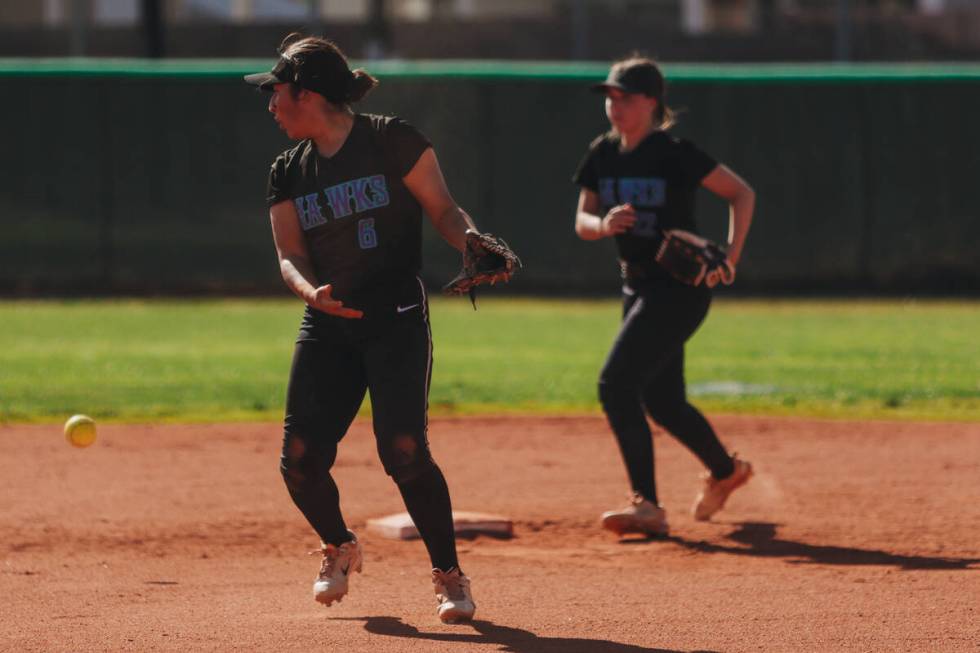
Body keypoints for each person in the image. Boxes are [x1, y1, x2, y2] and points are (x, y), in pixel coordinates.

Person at [244, 34, 482, 623]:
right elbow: (289, 253)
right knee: (299, 459)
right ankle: (338, 546)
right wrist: (309, 292)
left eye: (277, 92)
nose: (270, 104)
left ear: (308, 92)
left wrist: (472, 242)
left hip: (396, 319)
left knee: (403, 450)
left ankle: (449, 575)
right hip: (327, 325)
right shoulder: (288, 171)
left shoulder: (390, 139)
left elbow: (444, 210)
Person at [572, 57, 756, 537]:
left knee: (615, 385)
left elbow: (740, 194)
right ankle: (726, 471)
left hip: (678, 287)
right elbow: (583, 221)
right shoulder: (602, 154)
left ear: (651, 102)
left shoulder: (674, 152)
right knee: (664, 400)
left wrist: (732, 256)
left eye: (625, 97)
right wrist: (604, 225)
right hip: (634, 285)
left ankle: (647, 505)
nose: (614, 105)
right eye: (610, 96)